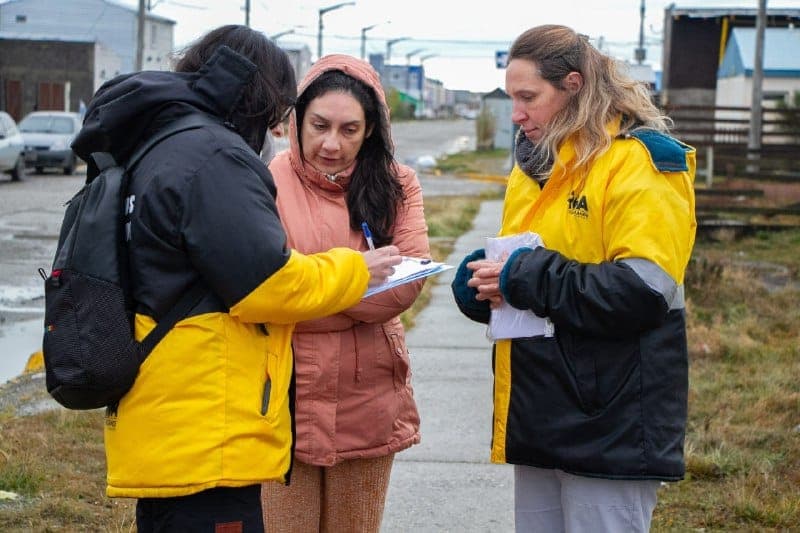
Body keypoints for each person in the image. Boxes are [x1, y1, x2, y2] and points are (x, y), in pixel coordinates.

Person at [70, 26, 401, 532]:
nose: (275, 128)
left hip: (167, 414)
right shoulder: (213, 157)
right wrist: (356, 270)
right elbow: (269, 284)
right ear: (258, 96)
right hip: (207, 428)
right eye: (277, 113)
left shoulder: (157, 144)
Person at [451, 25, 696, 532]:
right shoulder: (533, 165)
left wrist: (525, 276)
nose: (516, 113)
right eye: (513, 97)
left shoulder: (642, 162)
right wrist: (487, 283)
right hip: (540, 409)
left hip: (613, 420)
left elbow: (643, 292)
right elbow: (530, 266)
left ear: (575, 86)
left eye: (528, 97)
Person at [261, 54, 429, 532]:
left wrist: (310, 286)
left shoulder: (399, 185)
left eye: (349, 130)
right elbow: (266, 289)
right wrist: (358, 275)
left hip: (369, 396)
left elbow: (403, 288)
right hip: (282, 397)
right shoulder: (266, 182)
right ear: (296, 120)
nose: (331, 143)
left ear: (371, 129)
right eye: (319, 125)